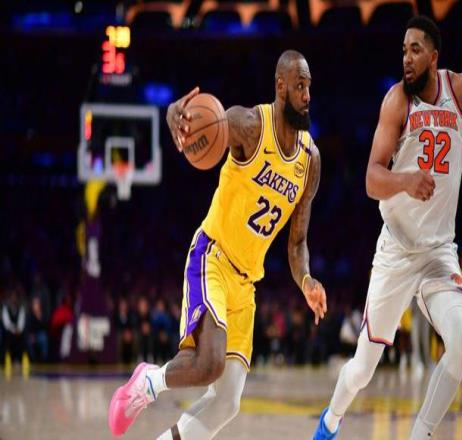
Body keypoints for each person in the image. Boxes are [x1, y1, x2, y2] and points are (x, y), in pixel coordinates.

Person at [108, 49, 327, 439]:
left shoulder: (310, 161)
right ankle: (147, 383)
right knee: (208, 363)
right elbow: (203, 120)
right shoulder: (251, 126)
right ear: (280, 87)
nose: (307, 94)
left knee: (227, 402)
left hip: (247, 282)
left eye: (309, 86)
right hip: (214, 256)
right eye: (299, 86)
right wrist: (175, 112)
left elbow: (297, 244)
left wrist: (307, 280)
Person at [314, 15, 462, 440]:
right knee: (363, 368)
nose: (406, 59)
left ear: (434, 56)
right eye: (403, 51)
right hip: (396, 250)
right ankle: (330, 422)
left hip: (438, 253)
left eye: (415, 50)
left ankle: (420, 435)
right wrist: (406, 181)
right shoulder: (397, 101)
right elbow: (371, 179)